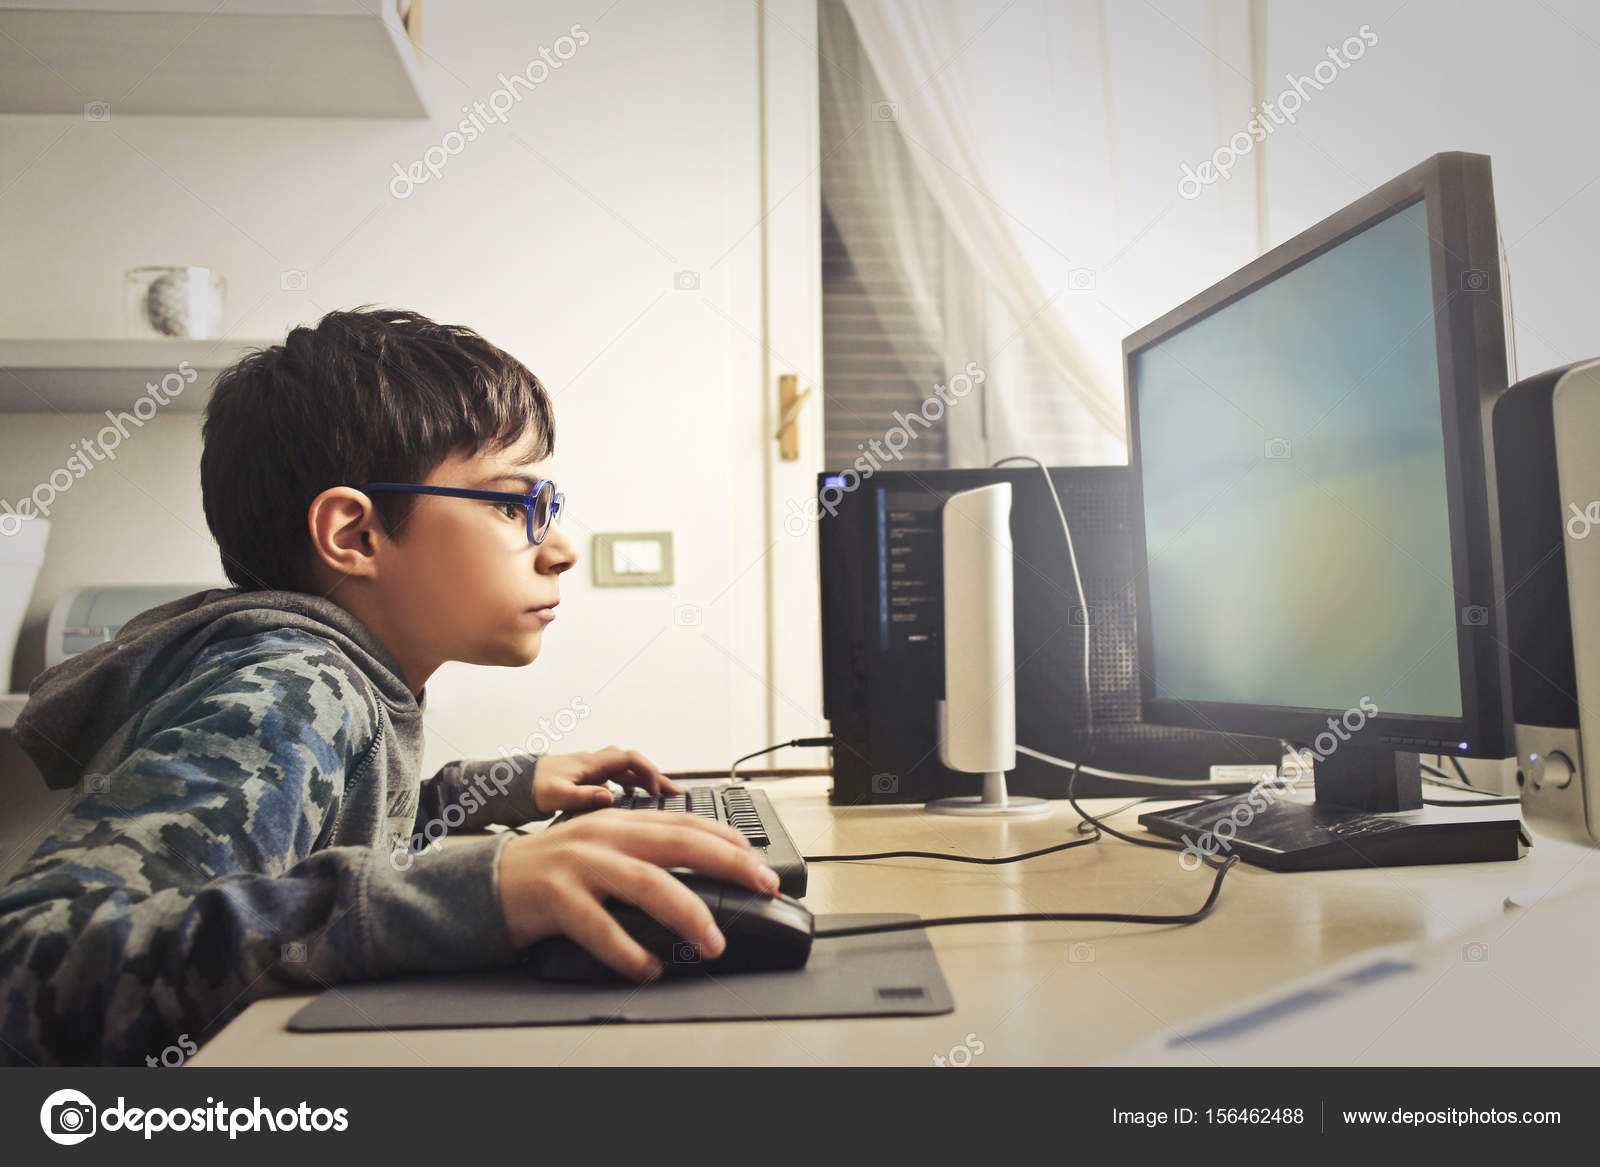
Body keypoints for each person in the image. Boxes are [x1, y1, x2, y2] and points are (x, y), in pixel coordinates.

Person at [0, 308, 778, 1066]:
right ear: (356, 535)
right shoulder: (293, 691)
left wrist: (496, 788)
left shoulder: (341, 683)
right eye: (517, 504)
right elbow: (31, 962)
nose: (561, 549)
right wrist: (472, 894)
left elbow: (316, 827)